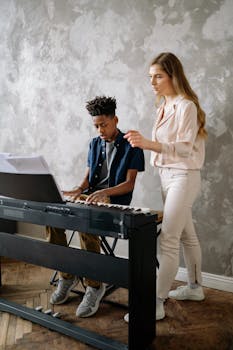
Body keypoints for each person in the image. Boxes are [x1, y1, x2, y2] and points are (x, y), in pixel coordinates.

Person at [124, 52, 207, 322]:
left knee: (169, 239)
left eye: (158, 76)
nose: (152, 82)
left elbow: (184, 148)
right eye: (150, 77)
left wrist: (148, 144)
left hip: (183, 176)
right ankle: (195, 288)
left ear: (173, 75)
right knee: (186, 234)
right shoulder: (163, 106)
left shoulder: (186, 106)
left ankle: (156, 302)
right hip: (166, 176)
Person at [47, 96, 145, 318]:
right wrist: (77, 190)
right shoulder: (93, 144)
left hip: (115, 203)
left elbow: (129, 184)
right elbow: (86, 181)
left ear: (115, 120)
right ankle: (66, 276)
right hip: (91, 199)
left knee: (84, 223)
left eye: (104, 125)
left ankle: (94, 285)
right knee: (52, 219)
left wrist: (104, 193)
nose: (100, 129)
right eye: (96, 126)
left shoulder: (132, 146)